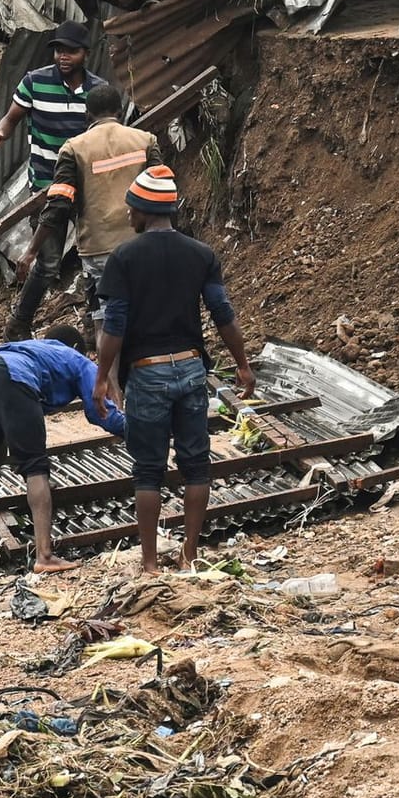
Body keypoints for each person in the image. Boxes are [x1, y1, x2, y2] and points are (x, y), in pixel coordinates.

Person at [93, 166, 254, 573]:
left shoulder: (124, 257)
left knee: (148, 471)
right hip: (191, 369)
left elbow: (115, 326)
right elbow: (222, 313)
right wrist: (242, 365)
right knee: (195, 464)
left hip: (147, 373)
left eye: (131, 208)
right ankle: (189, 556)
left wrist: (102, 378)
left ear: (143, 211)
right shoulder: (200, 254)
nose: (128, 216)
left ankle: (149, 564)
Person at [0, 324, 127, 574]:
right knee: (36, 466)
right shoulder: (76, 358)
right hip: (9, 376)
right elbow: (102, 413)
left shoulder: (33, 349)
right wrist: (138, 429)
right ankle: (45, 556)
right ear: (77, 347)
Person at [7, 83, 160, 340]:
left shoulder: (73, 149)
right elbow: (162, 190)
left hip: (99, 247)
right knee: (147, 311)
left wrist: (32, 250)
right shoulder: (145, 140)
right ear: (120, 112)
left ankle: (108, 377)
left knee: (106, 320)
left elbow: (59, 205)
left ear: (87, 115)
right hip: (143, 243)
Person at [0, 20, 108, 197]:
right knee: (46, 225)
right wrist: (1, 133)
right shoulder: (34, 83)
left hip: (86, 186)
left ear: (87, 54)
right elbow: (10, 119)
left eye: (72, 51)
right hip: (45, 188)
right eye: (59, 50)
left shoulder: (99, 91)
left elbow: (106, 136)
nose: (63, 57)